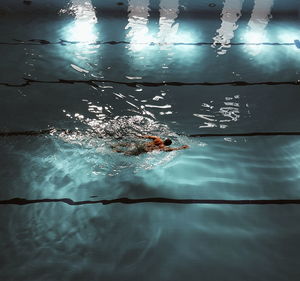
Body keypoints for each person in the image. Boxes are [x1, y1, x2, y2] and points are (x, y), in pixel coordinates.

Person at [111, 135, 189, 155]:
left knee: (128, 144)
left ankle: (115, 145)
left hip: (143, 145)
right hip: (144, 150)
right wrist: (182, 148)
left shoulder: (157, 139)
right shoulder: (164, 147)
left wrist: (139, 136)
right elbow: (172, 149)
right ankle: (117, 151)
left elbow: (147, 136)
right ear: (168, 144)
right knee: (128, 154)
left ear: (165, 140)